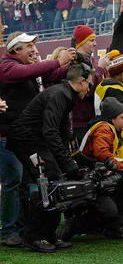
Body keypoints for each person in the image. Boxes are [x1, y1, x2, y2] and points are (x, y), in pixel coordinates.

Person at [0, 32, 74, 248]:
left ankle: (25, 229)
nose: (34, 49)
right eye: (28, 45)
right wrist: (56, 61)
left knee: (25, 184)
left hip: (23, 137)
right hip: (8, 135)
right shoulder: (7, 66)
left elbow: (49, 75)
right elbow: (31, 71)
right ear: (15, 49)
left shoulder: (25, 69)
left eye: (34, 45)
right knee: (13, 182)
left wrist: (69, 64)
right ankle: (9, 230)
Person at [11, 64, 91, 252]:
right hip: (27, 141)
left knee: (54, 182)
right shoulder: (59, 95)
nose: (89, 88)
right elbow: (51, 132)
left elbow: (61, 133)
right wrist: (68, 162)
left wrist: (72, 159)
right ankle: (32, 236)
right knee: (48, 183)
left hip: (37, 142)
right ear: (81, 82)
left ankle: (48, 234)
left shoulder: (66, 95)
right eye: (89, 84)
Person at [61, 97, 123, 241]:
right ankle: (75, 225)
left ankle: (116, 227)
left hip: (102, 176)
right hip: (89, 180)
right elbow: (101, 153)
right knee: (110, 209)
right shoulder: (103, 128)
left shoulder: (118, 130)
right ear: (112, 118)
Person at [71, 25, 108, 142]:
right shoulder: (74, 63)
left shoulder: (90, 61)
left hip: (93, 119)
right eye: (91, 40)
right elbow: (88, 90)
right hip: (82, 122)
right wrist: (100, 69)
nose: (95, 44)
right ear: (81, 42)